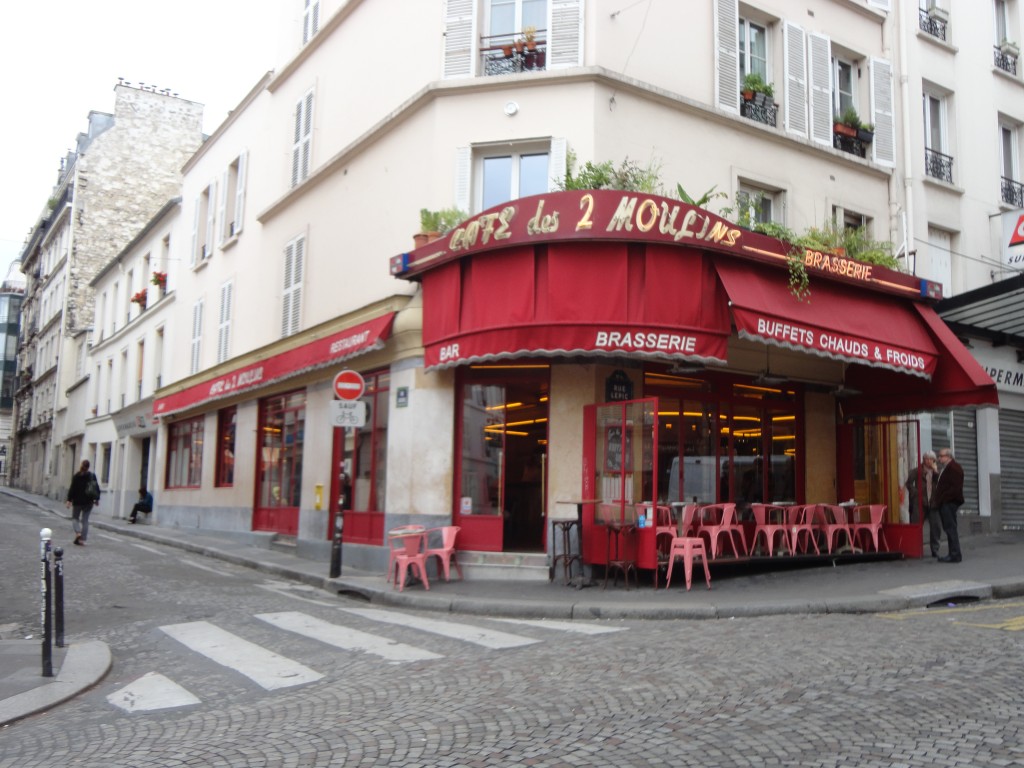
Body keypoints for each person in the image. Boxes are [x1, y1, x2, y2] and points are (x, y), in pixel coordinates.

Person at [931, 448, 965, 563]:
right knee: (949, 528)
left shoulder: (954, 468)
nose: (939, 458)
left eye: (941, 456)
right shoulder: (947, 468)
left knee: (950, 528)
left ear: (948, 456)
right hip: (946, 502)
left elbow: (955, 488)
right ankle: (953, 553)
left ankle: (955, 554)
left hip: (949, 503)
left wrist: (944, 499)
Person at [906, 451, 938, 549]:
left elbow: (940, 483)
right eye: (926, 459)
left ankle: (935, 548)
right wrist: (915, 493)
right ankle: (915, 546)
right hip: (920, 502)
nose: (928, 461)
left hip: (933, 502)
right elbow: (908, 483)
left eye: (930, 459)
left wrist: (936, 472)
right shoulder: (917, 471)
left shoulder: (936, 472)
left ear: (934, 461)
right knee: (917, 524)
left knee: (935, 526)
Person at [66, 460, 100, 546]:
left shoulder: (76, 476)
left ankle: (78, 533)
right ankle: (82, 539)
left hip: (77, 501)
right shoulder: (92, 476)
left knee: (75, 518)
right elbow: (96, 487)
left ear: (81, 465)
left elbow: (72, 488)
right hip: (88, 501)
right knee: (85, 520)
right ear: (88, 467)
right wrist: (96, 499)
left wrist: (69, 500)